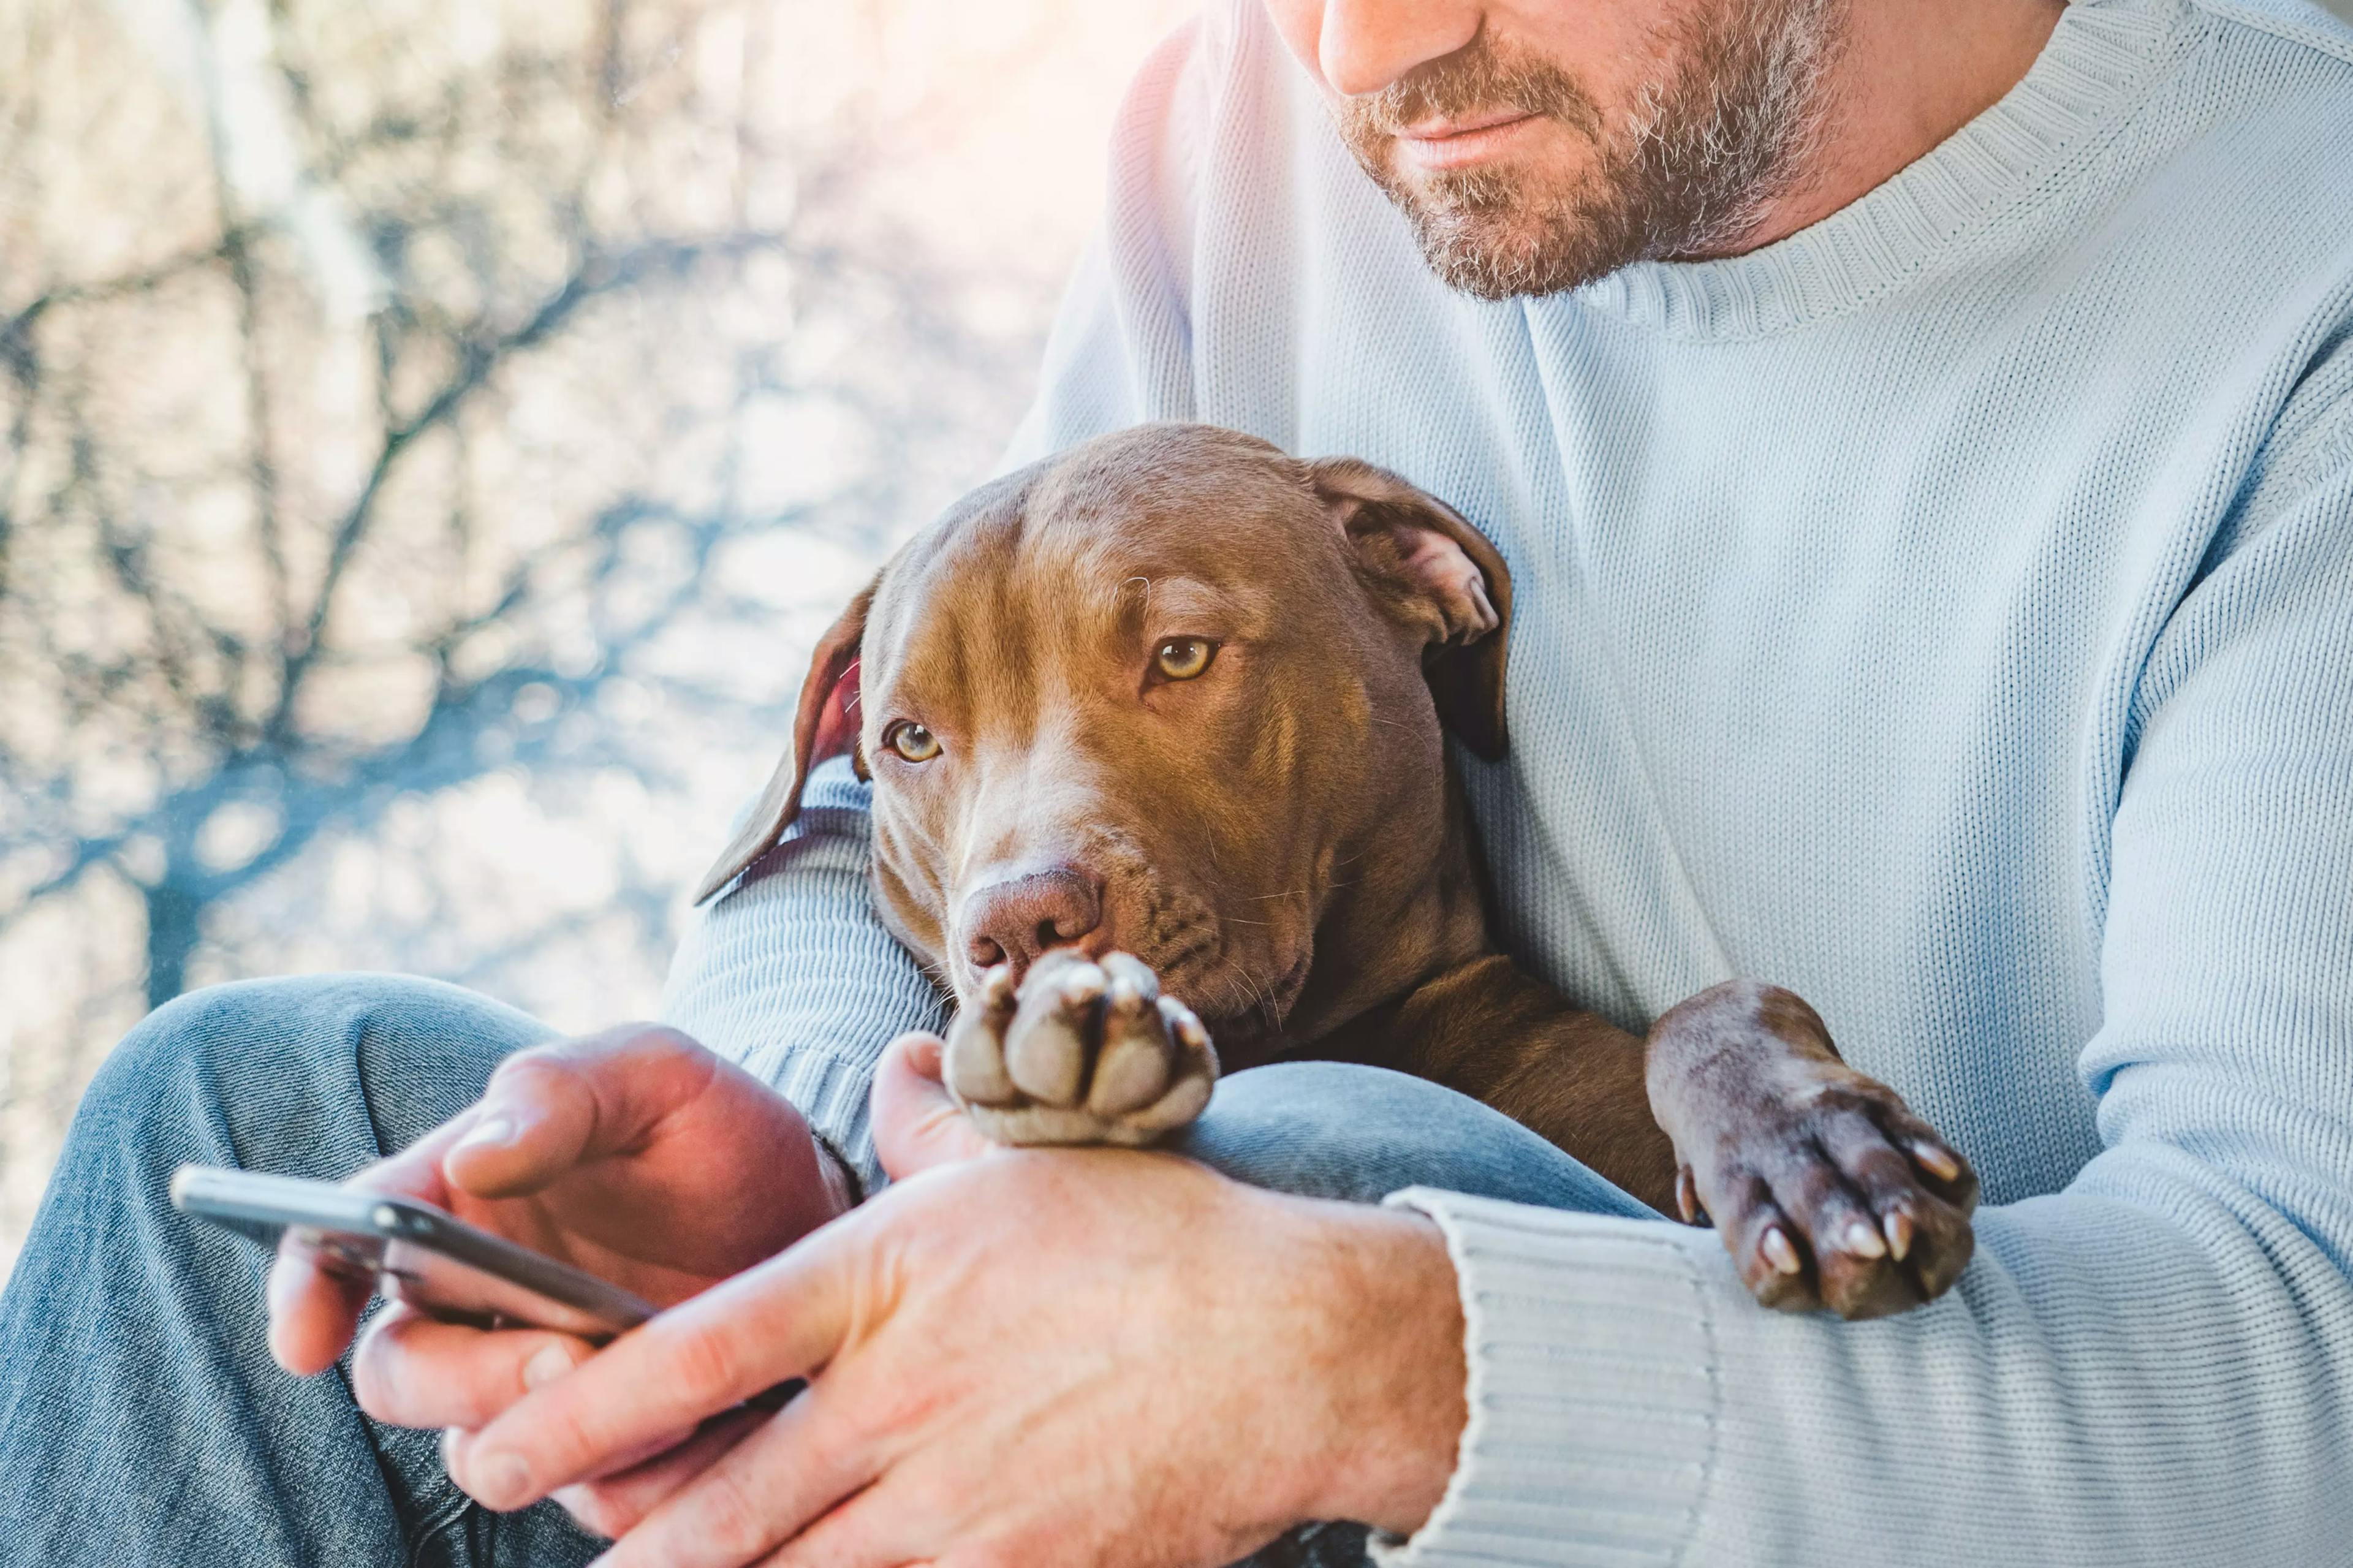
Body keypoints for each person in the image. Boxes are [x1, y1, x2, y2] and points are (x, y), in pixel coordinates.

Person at [6, 0, 2353, 1562]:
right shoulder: (1281, 113)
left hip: (1740, 1461)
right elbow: (913, 769)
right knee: (236, 1123)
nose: (1363, 47)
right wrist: (841, 1144)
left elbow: (2306, 1381)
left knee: (1308, 1158)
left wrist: (1347, 1361)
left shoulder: (2288, 312)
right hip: (1157, 1228)